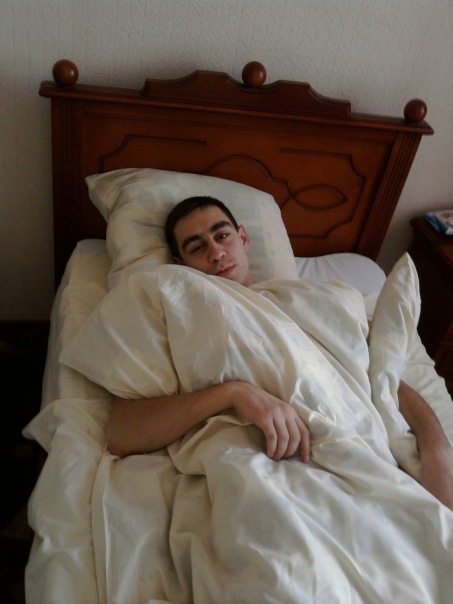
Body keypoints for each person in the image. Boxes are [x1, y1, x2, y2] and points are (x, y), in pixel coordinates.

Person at [107, 196, 453, 510]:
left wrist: (437, 451)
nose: (216, 252)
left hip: (361, 454)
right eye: (197, 247)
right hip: (263, 474)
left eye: (222, 235)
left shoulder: (316, 299)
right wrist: (234, 393)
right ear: (179, 262)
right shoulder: (181, 315)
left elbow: (382, 379)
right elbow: (122, 433)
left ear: (243, 238)